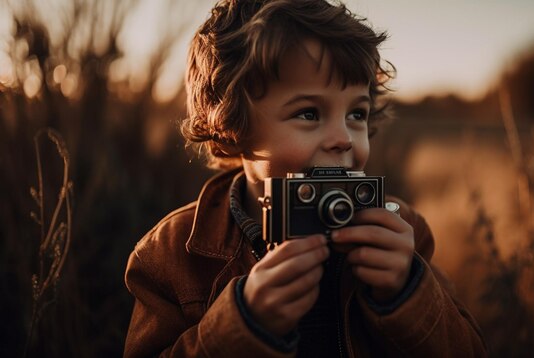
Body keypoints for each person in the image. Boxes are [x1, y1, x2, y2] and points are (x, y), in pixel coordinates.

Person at [124, 0, 487, 356]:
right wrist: (242, 324)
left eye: (356, 114)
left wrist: (407, 293)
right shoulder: (173, 253)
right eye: (310, 113)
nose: (344, 137)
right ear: (232, 129)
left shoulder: (399, 228)